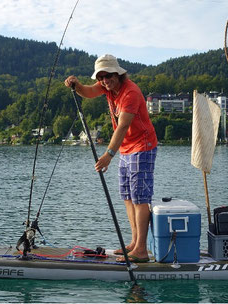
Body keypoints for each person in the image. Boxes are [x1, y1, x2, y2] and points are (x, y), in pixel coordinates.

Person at [64, 54, 158, 262]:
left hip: (142, 147)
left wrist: (108, 155)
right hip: (126, 149)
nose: (105, 80)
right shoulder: (107, 87)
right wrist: (76, 84)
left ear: (118, 74)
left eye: (108, 76)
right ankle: (134, 242)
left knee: (140, 198)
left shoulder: (130, 93)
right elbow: (88, 92)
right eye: (101, 77)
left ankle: (141, 250)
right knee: (127, 196)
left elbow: (123, 126)